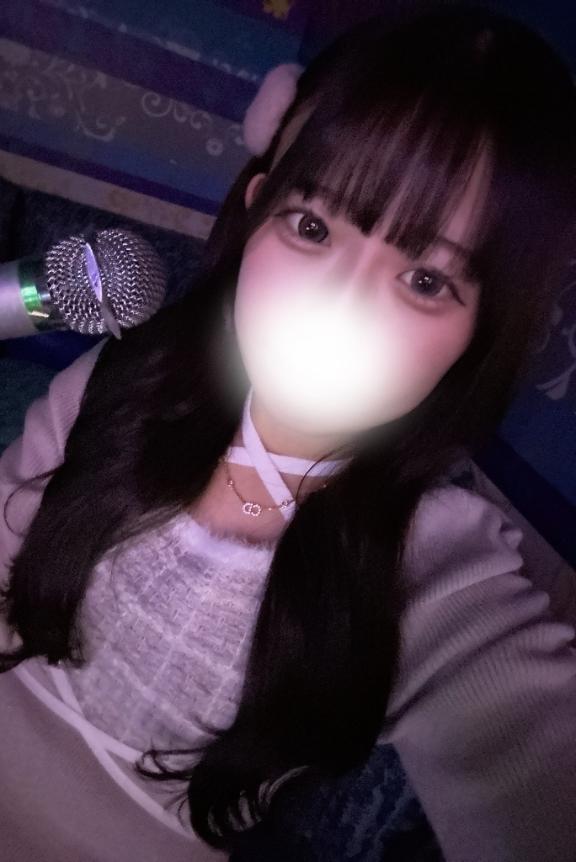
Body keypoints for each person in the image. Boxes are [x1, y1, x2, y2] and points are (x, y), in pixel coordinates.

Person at [0, 5, 575, 861]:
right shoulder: (124, 374)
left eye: (425, 280)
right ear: (257, 211)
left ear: (478, 335)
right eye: (312, 227)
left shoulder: (438, 569)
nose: (337, 304)